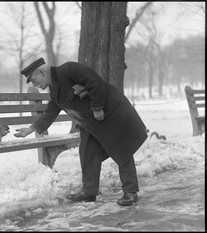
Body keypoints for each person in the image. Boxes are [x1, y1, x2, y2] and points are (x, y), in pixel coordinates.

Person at [14, 58, 148, 206]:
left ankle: (130, 192)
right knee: (87, 153)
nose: (35, 84)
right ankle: (89, 192)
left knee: (121, 150)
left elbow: (94, 81)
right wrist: (31, 128)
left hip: (109, 114)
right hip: (91, 124)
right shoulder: (54, 89)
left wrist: (97, 108)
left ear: (41, 72)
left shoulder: (68, 69)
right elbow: (51, 112)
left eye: (34, 80)